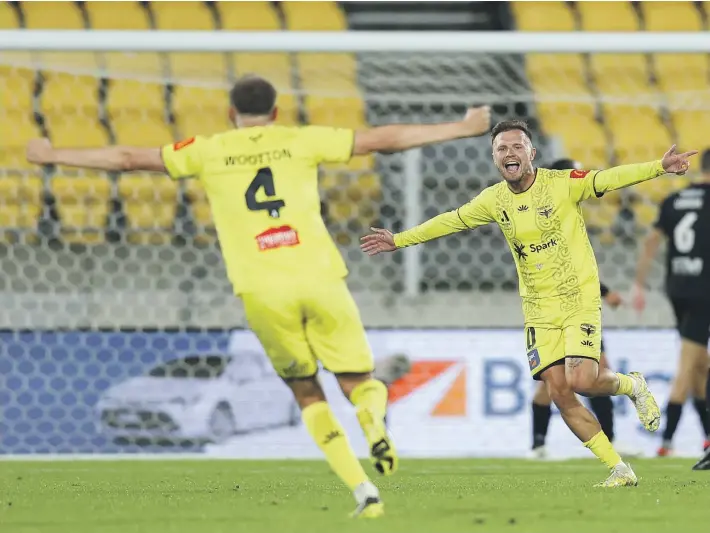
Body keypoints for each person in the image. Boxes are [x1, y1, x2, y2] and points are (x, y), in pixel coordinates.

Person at [25, 75, 492, 517]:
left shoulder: (207, 150)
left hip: (262, 289)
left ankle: (363, 490)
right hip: (321, 277)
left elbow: (127, 158)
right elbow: (381, 140)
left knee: (306, 392)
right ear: (276, 111)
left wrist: (52, 154)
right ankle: (372, 425)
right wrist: (462, 127)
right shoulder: (302, 139)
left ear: (232, 112)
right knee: (358, 378)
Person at [361, 119, 696, 487]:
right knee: (559, 391)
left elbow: (608, 178)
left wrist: (657, 168)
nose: (510, 153)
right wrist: (401, 240)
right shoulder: (494, 200)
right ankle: (619, 469)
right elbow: (451, 221)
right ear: (494, 159)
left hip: (577, 298)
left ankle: (632, 386)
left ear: (531, 154)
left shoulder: (562, 184)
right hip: (538, 308)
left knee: (582, 380)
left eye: (517, 146)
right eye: (501, 149)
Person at [529, 157, 623, 460]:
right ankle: (544, 444)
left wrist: (604, 292)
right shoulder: (556, 211)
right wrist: (605, 293)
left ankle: (539, 444)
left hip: (569, 306)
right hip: (562, 309)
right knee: (577, 377)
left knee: (561, 381)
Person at [632, 148, 710, 469]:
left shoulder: (673, 201)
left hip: (677, 289)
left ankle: (707, 438)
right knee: (687, 367)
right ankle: (666, 442)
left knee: (699, 365)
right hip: (705, 290)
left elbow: (651, 242)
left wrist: (638, 283)